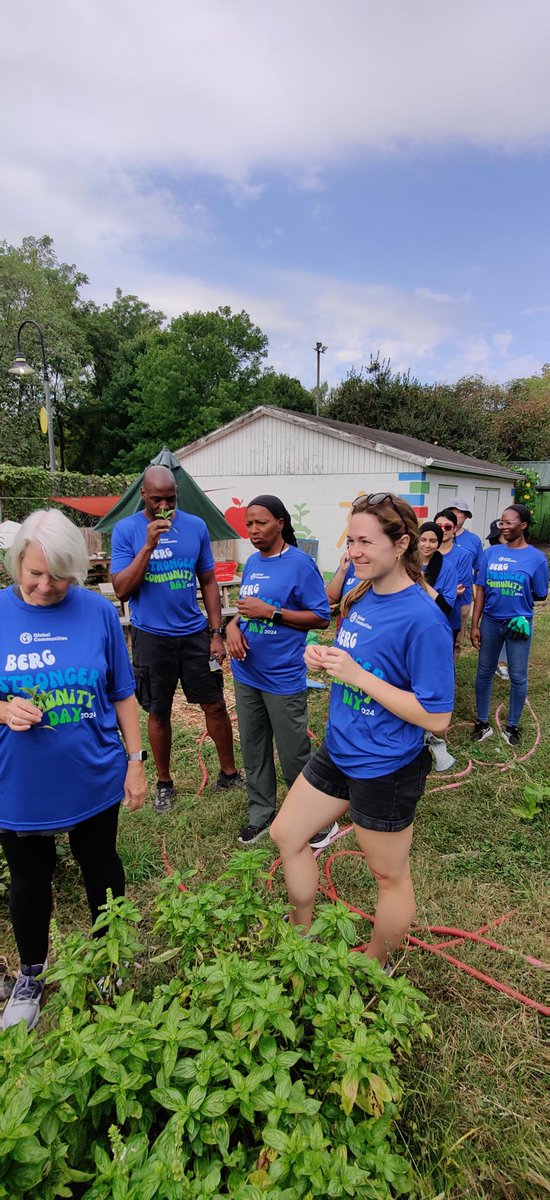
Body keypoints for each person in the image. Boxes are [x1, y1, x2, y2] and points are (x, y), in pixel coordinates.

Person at [270, 494, 454, 968]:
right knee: (287, 834)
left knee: (388, 876)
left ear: (401, 544)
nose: (353, 551)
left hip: (386, 765)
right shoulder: (362, 593)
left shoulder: (423, 618)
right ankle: (301, 938)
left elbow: (437, 718)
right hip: (340, 748)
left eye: (366, 541)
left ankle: (375, 963)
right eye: (350, 540)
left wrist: (356, 675)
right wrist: (326, 657)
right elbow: (362, 659)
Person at [0, 510, 147, 1031]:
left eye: (59, 575)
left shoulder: (98, 612)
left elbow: (123, 692)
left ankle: (112, 961)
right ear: (17, 562)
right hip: (18, 783)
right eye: (35, 573)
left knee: (100, 863)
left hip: (93, 773)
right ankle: (31, 974)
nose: (45, 585)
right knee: (29, 877)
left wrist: (135, 763)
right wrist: (3, 709)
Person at [111, 466, 242, 813]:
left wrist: (216, 633)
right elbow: (122, 589)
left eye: (171, 498)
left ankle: (229, 773)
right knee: (158, 710)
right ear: (143, 495)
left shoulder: (196, 527)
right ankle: (165, 783)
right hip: (151, 637)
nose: (165, 505)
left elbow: (209, 581)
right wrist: (149, 546)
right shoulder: (126, 531)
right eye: (157, 499)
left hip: (194, 634)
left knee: (213, 703)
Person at [226, 495, 331, 846]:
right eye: (249, 524)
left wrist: (270, 613)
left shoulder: (300, 564)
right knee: (254, 749)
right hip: (246, 673)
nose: (253, 531)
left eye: (261, 523)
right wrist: (231, 627)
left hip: (282, 676)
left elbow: (320, 616)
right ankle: (261, 812)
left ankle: (313, 818)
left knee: (293, 752)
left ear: (280, 523)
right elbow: (245, 609)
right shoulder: (253, 562)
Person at [471, 504, 548, 746]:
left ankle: (512, 726)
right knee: (484, 672)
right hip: (491, 623)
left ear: (523, 525)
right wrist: (475, 624)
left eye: (509, 523)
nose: (503, 527)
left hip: (518, 624)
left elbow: (540, 593)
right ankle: (482, 723)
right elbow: (481, 590)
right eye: (501, 522)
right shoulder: (490, 554)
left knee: (517, 676)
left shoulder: (536, 558)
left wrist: (518, 605)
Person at [434, 509, 473, 650]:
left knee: (448, 653)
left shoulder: (463, 556)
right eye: (438, 526)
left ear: (454, 529)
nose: (443, 530)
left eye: (447, 527)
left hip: (450, 614)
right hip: (425, 616)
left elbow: (459, 589)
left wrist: (427, 591)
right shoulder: (424, 553)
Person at [450, 499, 484, 655]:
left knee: (456, 640)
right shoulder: (436, 536)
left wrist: (479, 596)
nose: (456, 516)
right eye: (453, 512)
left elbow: (479, 570)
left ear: (466, 517)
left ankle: (451, 676)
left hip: (462, 599)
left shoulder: (473, 540)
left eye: (460, 513)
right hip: (436, 596)